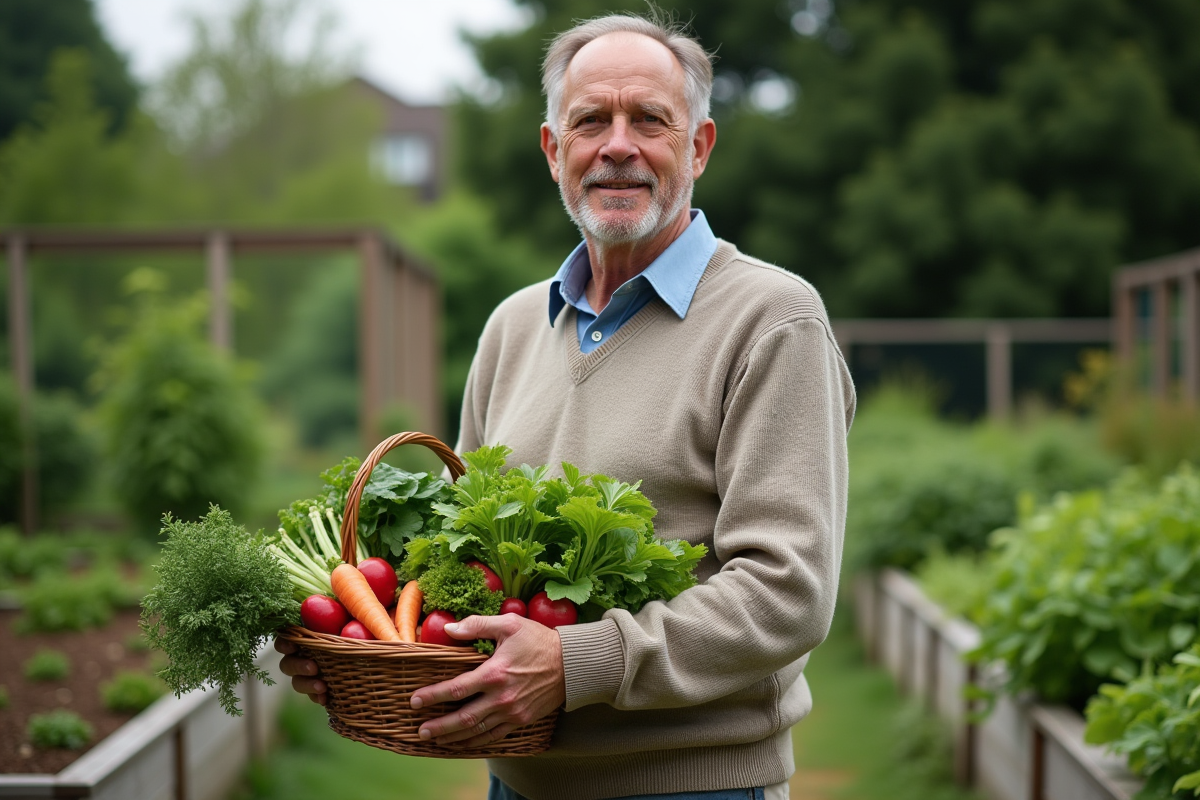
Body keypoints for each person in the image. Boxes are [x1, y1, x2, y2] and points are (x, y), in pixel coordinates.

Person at [278, 11, 855, 800]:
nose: (618, 144)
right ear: (555, 152)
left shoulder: (772, 320)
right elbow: (461, 566)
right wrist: (371, 646)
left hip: (692, 786)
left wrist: (578, 662)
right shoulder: (514, 327)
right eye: (591, 121)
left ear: (699, 147)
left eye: (650, 119)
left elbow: (787, 592)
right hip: (518, 782)